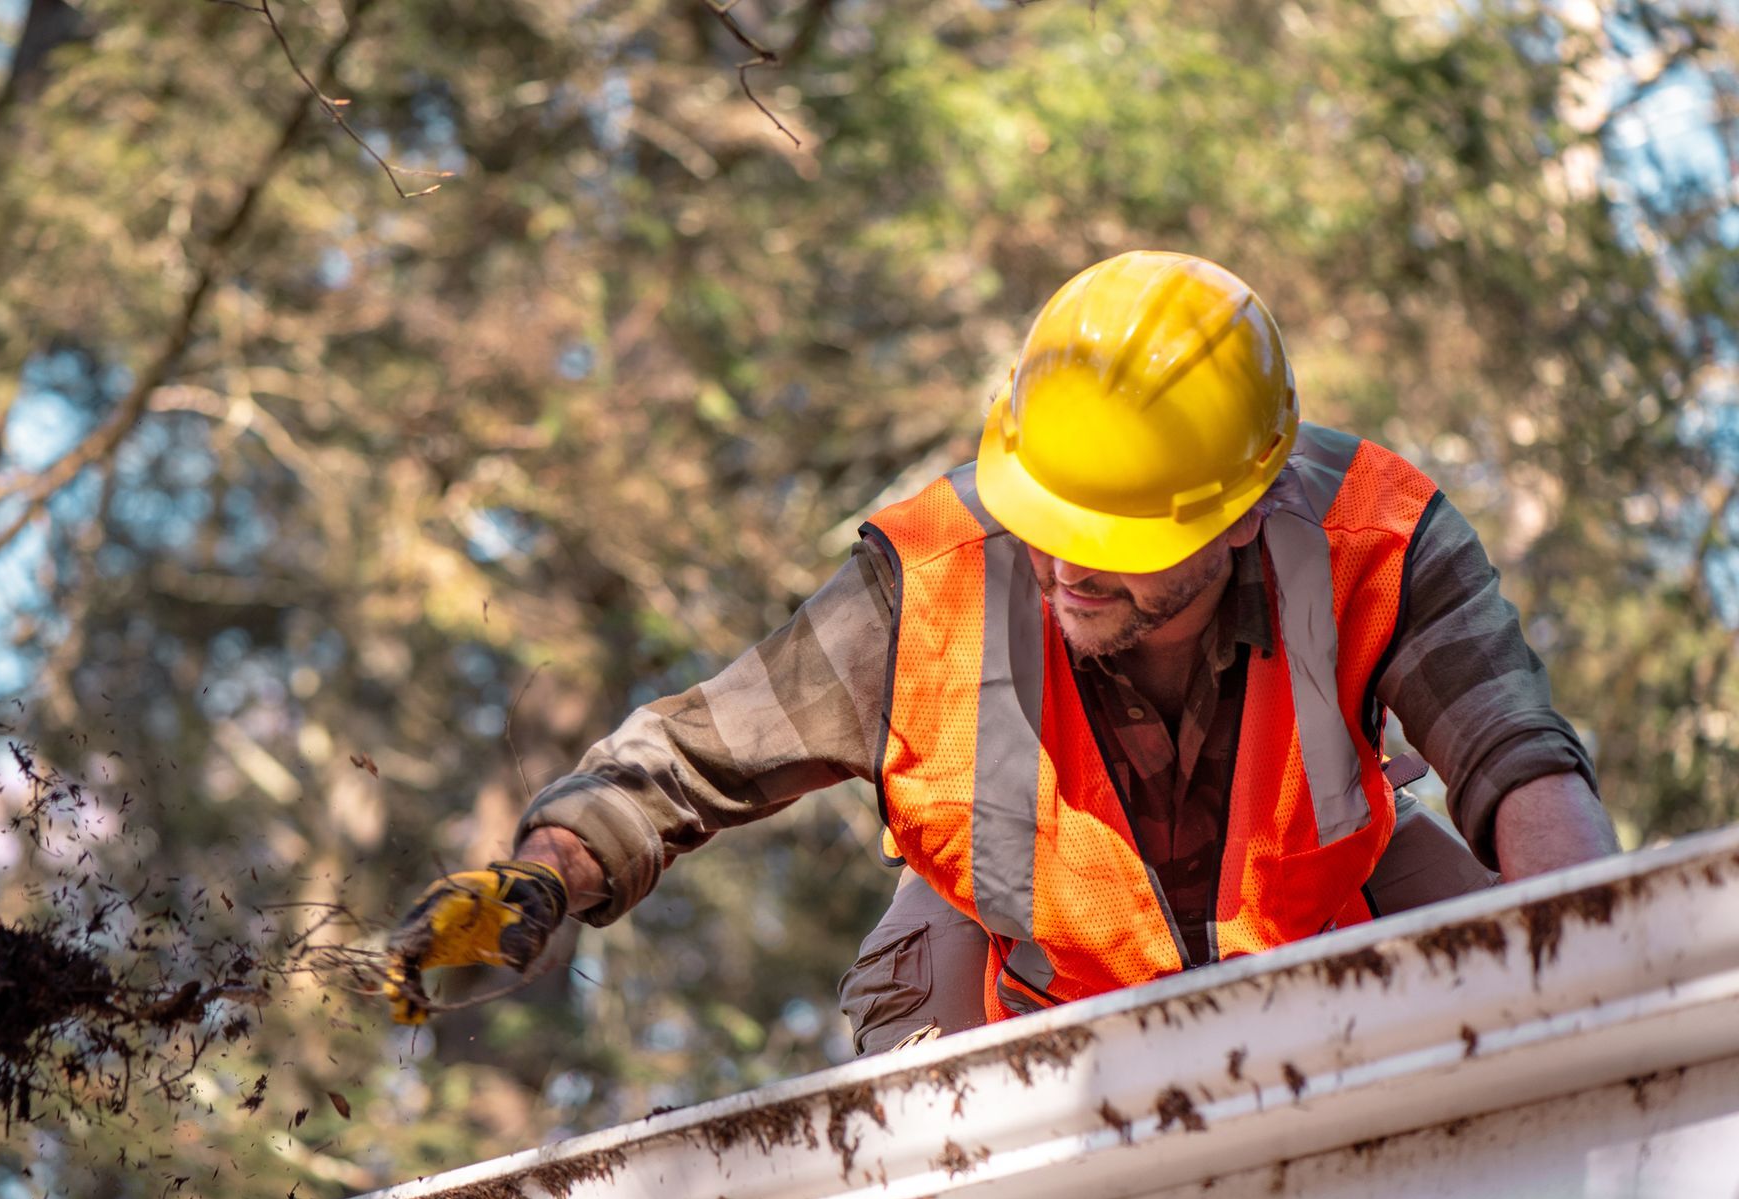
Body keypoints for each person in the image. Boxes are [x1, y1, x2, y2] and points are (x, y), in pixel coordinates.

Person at [382, 251, 1619, 1049]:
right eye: (1048, 524)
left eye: (1117, 540)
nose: (1069, 564)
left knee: (1528, 979)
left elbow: (1516, 757)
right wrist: (538, 878)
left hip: (1326, 925)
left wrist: (1588, 956)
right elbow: (683, 763)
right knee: (906, 1113)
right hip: (1024, 990)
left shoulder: (1372, 536)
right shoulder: (929, 581)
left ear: (1243, 515)